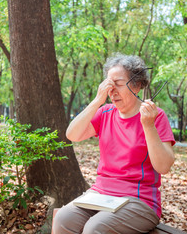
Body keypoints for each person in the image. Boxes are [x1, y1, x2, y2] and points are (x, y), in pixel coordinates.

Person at [52, 53, 175, 234]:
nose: (112, 91)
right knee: (63, 219)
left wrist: (148, 125)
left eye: (118, 84)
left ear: (137, 84)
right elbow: (72, 135)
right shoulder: (105, 113)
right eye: (109, 85)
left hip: (140, 200)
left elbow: (163, 166)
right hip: (100, 194)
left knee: (95, 228)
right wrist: (97, 100)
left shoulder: (156, 117)